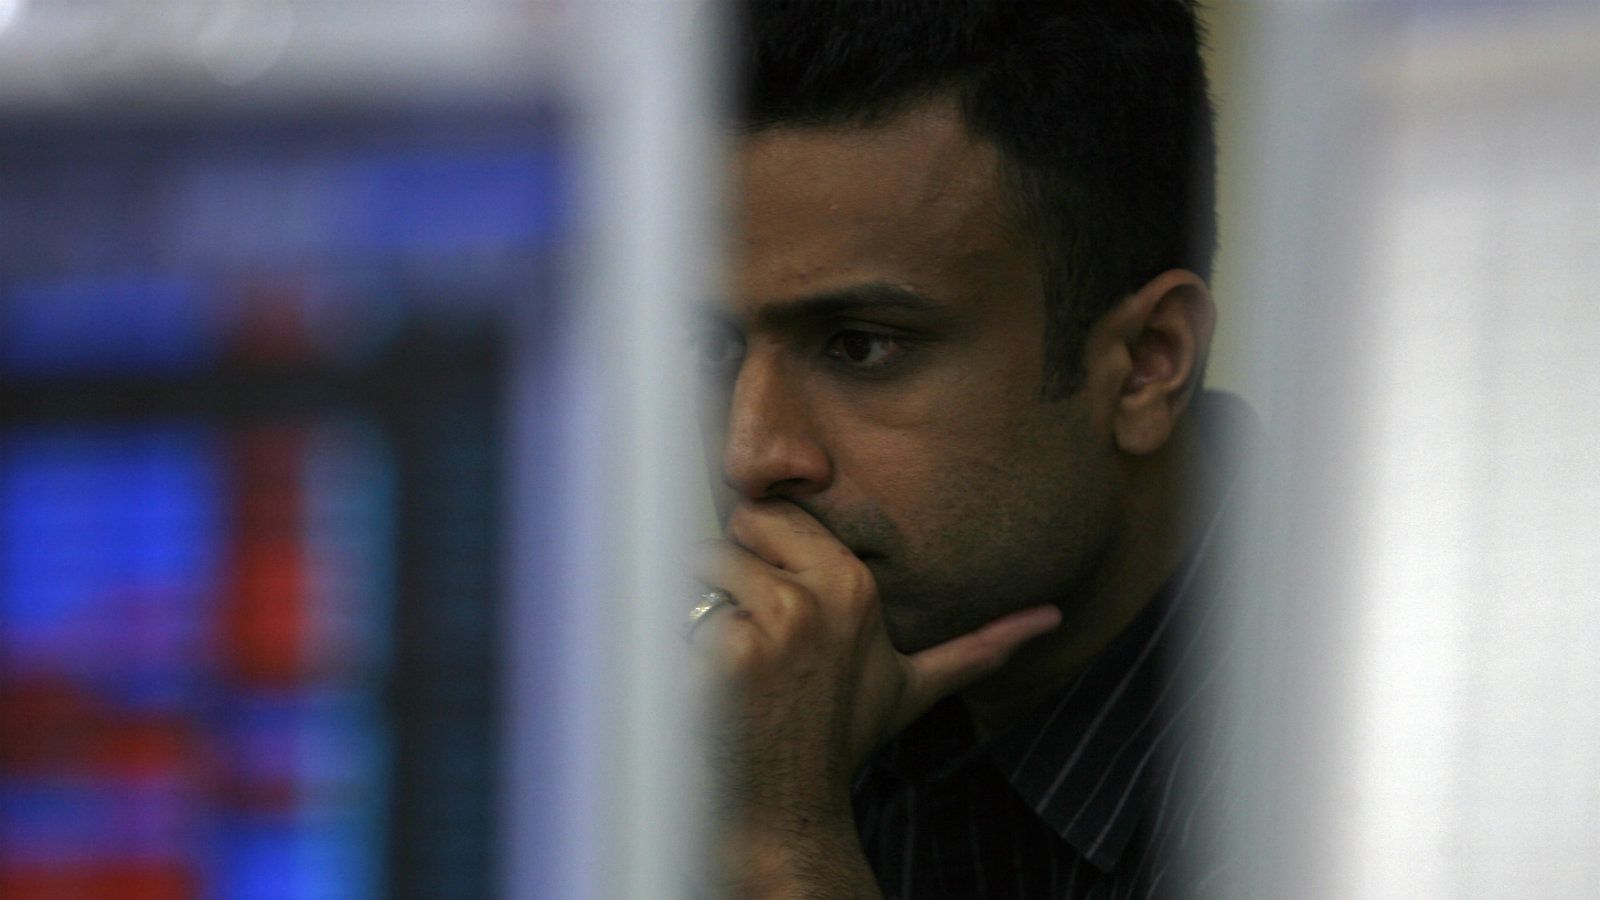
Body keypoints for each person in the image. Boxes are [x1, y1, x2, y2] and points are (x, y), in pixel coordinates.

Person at [690, 1, 1245, 896]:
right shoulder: (757, 697)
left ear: (1147, 366)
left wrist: (780, 854)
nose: (751, 456)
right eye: (713, 350)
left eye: (863, 344)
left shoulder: (1377, 752)